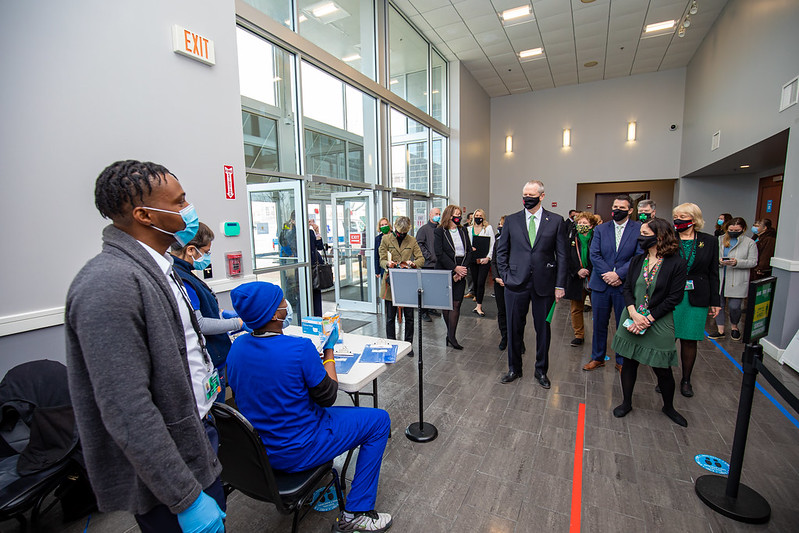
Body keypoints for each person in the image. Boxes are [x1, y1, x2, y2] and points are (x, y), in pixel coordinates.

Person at [65, 160, 225, 532]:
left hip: (197, 439)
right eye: (180, 201)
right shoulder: (108, 284)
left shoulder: (161, 269)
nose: (189, 209)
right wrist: (184, 498)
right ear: (144, 215)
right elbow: (127, 409)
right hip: (169, 475)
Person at [226, 282, 392, 532]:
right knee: (379, 421)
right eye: (282, 302)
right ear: (274, 315)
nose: (286, 306)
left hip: (260, 452)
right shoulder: (299, 349)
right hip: (299, 449)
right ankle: (356, 512)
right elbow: (329, 396)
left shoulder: (237, 348)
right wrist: (328, 350)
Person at [611, 218, 688, 427]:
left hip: (658, 320)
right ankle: (626, 402)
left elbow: (674, 297)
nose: (640, 237)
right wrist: (634, 313)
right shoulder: (638, 260)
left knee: (662, 368)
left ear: (660, 236)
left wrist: (648, 319)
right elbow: (627, 289)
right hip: (632, 316)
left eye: (645, 233)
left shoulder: (676, 263)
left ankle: (668, 407)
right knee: (629, 362)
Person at [495, 180, 567, 388]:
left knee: (543, 329)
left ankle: (541, 370)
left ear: (542, 196)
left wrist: (560, 285)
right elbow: (502, 251)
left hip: (544, 284)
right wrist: (506, 276)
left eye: (531, 195)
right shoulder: (512, 220)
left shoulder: (555, 220)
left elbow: (562, 255)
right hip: (515, 283)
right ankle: (513, 368)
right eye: (524, 195)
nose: (527, 198)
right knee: (514, 327)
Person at [170, 222, 245, 400]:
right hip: (210, 359)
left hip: (216, 354)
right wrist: (238, 323)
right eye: (206, 252)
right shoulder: (182, 279)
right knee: (217, 407)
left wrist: (221, 314)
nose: (208, 256)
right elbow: (200, 323)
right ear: (190, 250)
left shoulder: (184, 273)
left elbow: (199, 308)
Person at [583, 195, 641, 373]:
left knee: (623, 324)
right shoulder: (601, 229)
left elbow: (638, 256)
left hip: (624, 285)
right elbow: (594, 254)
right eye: (615, 206)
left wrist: (618, 274)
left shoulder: (638, 229)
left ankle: (622, 359)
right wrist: (607, 274)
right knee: (599, 323)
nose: (616, 210)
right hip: (601, 284)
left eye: (621, 207)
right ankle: (597, 357)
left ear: (630, 210)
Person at [671, 204, 721, 397]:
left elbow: (713, 273)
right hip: (672, 295)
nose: (678, 220)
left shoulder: (708, 241)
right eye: (676, 216)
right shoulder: (670, 238)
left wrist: (715, 301)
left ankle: (686, 379)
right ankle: (664, 376)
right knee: (667, 339)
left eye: (682, 216)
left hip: (696, 296)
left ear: (693, 219)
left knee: (690, 340)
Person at [379, 216, 424, 356]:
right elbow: (381, 259)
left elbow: (421, 258)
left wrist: (413, 264)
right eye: (400, 233)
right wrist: (387, 264)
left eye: (404, 233)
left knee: (409, 317)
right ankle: (392, 344)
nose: (402, 235)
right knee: (390, 317)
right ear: (395, 229)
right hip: (390, 281)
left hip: (407, 281)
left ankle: (408, 345)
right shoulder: (386, 239)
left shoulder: (412, 240)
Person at [709, 218, 758, 340]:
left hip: (738, 278)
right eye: (731, 230)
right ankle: (720, 330)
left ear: (743, 229)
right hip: (720, 276)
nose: (733, 232)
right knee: (718, 304)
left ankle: (734, 327)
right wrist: (719, 262)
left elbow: (753, 262)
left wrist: (737, 262)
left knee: (734, 306)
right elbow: (712, 257)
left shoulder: (749, 243)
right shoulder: (719, 240)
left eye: (737, 230)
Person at [434, 205, 473, 350]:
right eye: (456, 214)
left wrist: (462, 270)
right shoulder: (439, 231)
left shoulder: (463, 230)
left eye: (460, 214)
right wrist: (454, 269)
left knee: (457, 303)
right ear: (449, 216)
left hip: (461, 269)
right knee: (447, 304)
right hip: (446, 270)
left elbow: (469, 251)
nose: (459, 217)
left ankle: (451, 336)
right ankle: (451, 336)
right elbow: (439, 253)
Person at [565, 212, 598, 347]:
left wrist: (589, 270)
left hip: (594, 277)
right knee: (576, 308)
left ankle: (598, 335)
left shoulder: (597, 238)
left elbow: (599, 256)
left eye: (584, 223)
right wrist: (577, 270)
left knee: (598, 308)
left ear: (591, 225)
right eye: (579, 223)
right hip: (576, 277)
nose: (581, 226)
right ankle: (579, 335)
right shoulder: (572, 238)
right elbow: (567, 257)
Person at [415, 207, 442, 322]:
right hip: (428, 264)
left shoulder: (441, 229)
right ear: (430, 215)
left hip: (439, 265)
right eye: (436, 213)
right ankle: (423, 312)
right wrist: (430, 256)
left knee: (434, 289)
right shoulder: (423, 229)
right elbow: (419, 245)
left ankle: (431, 308)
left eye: (439, 214)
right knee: (425, 290)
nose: (438, 215)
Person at [468, 208, 495, 317]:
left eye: (480, 215)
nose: (478, 217)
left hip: (484, 260)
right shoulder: (469, 229)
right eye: (476, 215)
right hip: (473, 260)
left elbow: (492, 244)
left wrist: (488, 257)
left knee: (480, 283)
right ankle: (476, 304)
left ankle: (479, 306)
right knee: (475, 282)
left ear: (483, 217)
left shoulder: (488, 228)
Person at [491, 216, 508, 350]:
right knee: (502, 311)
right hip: (499, 282)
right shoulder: (498, 241)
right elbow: (494, 261)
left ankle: (518, 340)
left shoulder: (519, 242)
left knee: (515, 313)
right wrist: (496, 278)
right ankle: (504, 336)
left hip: (513, 283)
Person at [309, 219, 326, 316]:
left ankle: (318, 317)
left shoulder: (310, 232)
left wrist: (317, 231)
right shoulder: (294, 232)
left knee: (316, 291)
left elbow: (319, 247)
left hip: (314, 266)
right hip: (303, 268)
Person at [374, 217, 391, 289]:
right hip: (383, 267)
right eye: (382, 225)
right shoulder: (378, 239)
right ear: (379, 227)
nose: (384, 226)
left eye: (386, 224)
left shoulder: (395, 236)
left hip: (394, 265)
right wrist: (377, 271)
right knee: (385, 288)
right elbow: (376, 255)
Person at [464, 212, 475, 299]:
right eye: (471, 219)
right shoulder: (465, 229)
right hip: (468, 255)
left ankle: (477, 293)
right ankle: (471, 291)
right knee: (469, 274)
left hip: (478, 255)